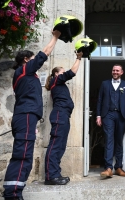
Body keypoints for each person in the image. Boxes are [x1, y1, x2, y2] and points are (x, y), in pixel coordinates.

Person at [3, 30, 61, 200]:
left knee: (24, 155)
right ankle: (12, 195)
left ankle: (14, 192)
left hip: (27, 117)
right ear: (27, 59)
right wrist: (55, 37)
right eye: (33, 58)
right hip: (26, 116)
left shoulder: (26, 74)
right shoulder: (24, 69)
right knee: (22, 156)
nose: (36, 61)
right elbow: (44, 54)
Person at [44, 51, 83, 185]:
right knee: (55, 145)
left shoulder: (59, 83)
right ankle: (50, 176)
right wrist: (78, 58)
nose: (64, 72)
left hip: (64, 115)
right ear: (56, 74)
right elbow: (71, 73)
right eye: (62, 71)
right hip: (60, 114)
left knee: (60, 146)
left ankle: (55, 174)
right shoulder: (56, 80)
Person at [96, 64, 125, 178]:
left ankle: (118, 167)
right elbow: (100, 100)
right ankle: (108, 168)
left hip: (121, 115)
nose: (115, 72)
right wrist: (98, 116)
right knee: (109, 139)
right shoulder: (105, 84)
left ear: (122, 72)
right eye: (113, 70)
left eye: (117, 70)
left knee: (119, 140)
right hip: (107, 114)